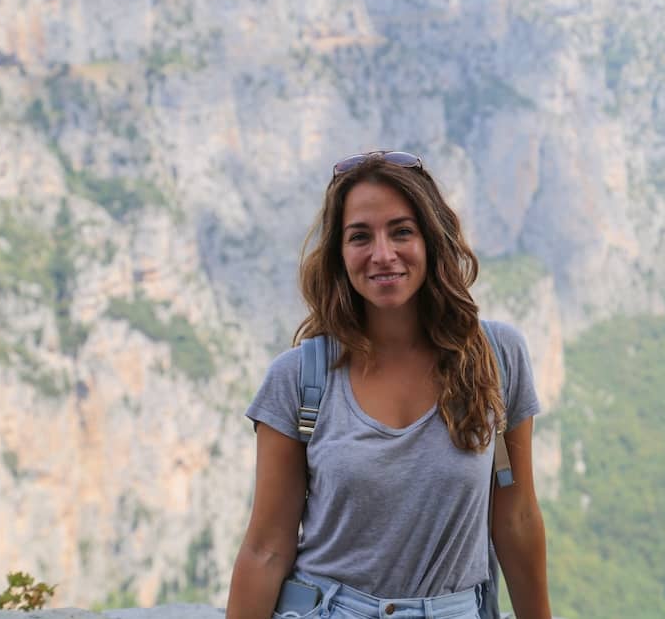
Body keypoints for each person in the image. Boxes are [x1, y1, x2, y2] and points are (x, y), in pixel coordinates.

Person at [226, 151, 552, 619]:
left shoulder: (497, 358)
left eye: (401, 231)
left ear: (432, 241)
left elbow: (516, 517)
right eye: (360, 236)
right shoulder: (298, 380)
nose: (382, 254)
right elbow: (265, 549)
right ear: (340, 255)